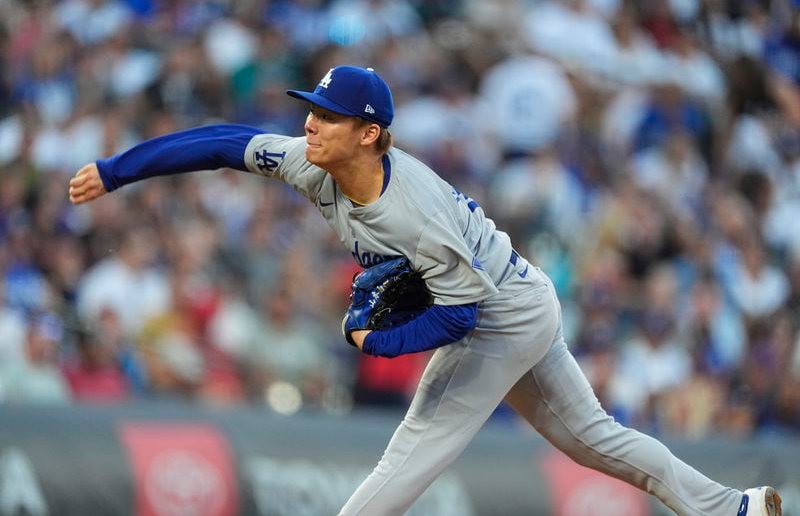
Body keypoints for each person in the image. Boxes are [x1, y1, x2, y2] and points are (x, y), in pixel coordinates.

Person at [68, 65, 781, 516]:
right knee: (597, 439)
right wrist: (117, 168)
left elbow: (460, 312)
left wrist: (376, 340)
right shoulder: (311, 161)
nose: (309, 122)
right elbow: (224, 141)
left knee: (410, 453)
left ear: (369, 133)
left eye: (327, 115)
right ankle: (737, 508)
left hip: (495, 314)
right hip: (520, 294)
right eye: (311, 108)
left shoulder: (411, 213)